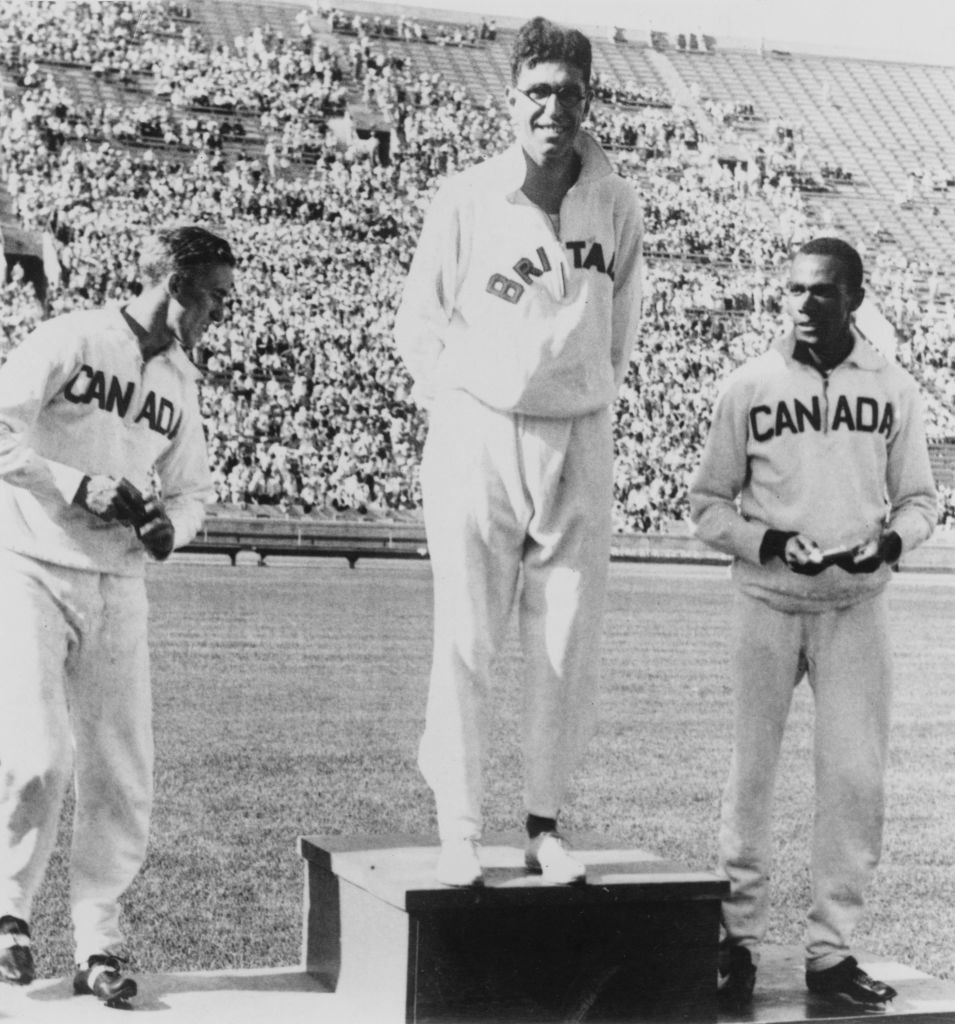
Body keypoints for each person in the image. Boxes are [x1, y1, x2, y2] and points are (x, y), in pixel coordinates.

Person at [0, 225, 237, 1006]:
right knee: (41, 757)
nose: (220, 311)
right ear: (173, 285)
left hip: (117, 584)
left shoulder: (179, 381)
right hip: (28, 566)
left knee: (120, 770)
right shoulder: (71, 337)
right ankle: (10, 909)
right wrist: (77, 485)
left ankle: (98, 942)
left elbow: (193, 489)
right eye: (212, 295)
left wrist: (167, 528)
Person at [394, 16, 644, 887]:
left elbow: (620, 325)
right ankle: (459, 828)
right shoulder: (465, 197)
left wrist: (582, 394)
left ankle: (544, 824)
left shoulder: (615, 199)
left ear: (587, 100)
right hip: (478, 429)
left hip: (578, 433)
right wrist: (466, 404)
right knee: (466, 637)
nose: (553, 109)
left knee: (567, 640)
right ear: (510, 99)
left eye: (569, 93)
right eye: (537, 92)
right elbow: (417, 328)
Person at [689, 237, 937, 1009]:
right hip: (765, 601)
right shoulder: (749, 384)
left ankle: (829, 955)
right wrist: (765, 541)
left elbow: (921, 502)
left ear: (854, 299)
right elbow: (707, 505)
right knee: (748, 779)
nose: (801, 304)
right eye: (792, 289)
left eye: (820, 292)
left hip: (853, 608)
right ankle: (737, 944)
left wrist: (889, 543)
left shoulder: (893, 389)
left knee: (854, 781)